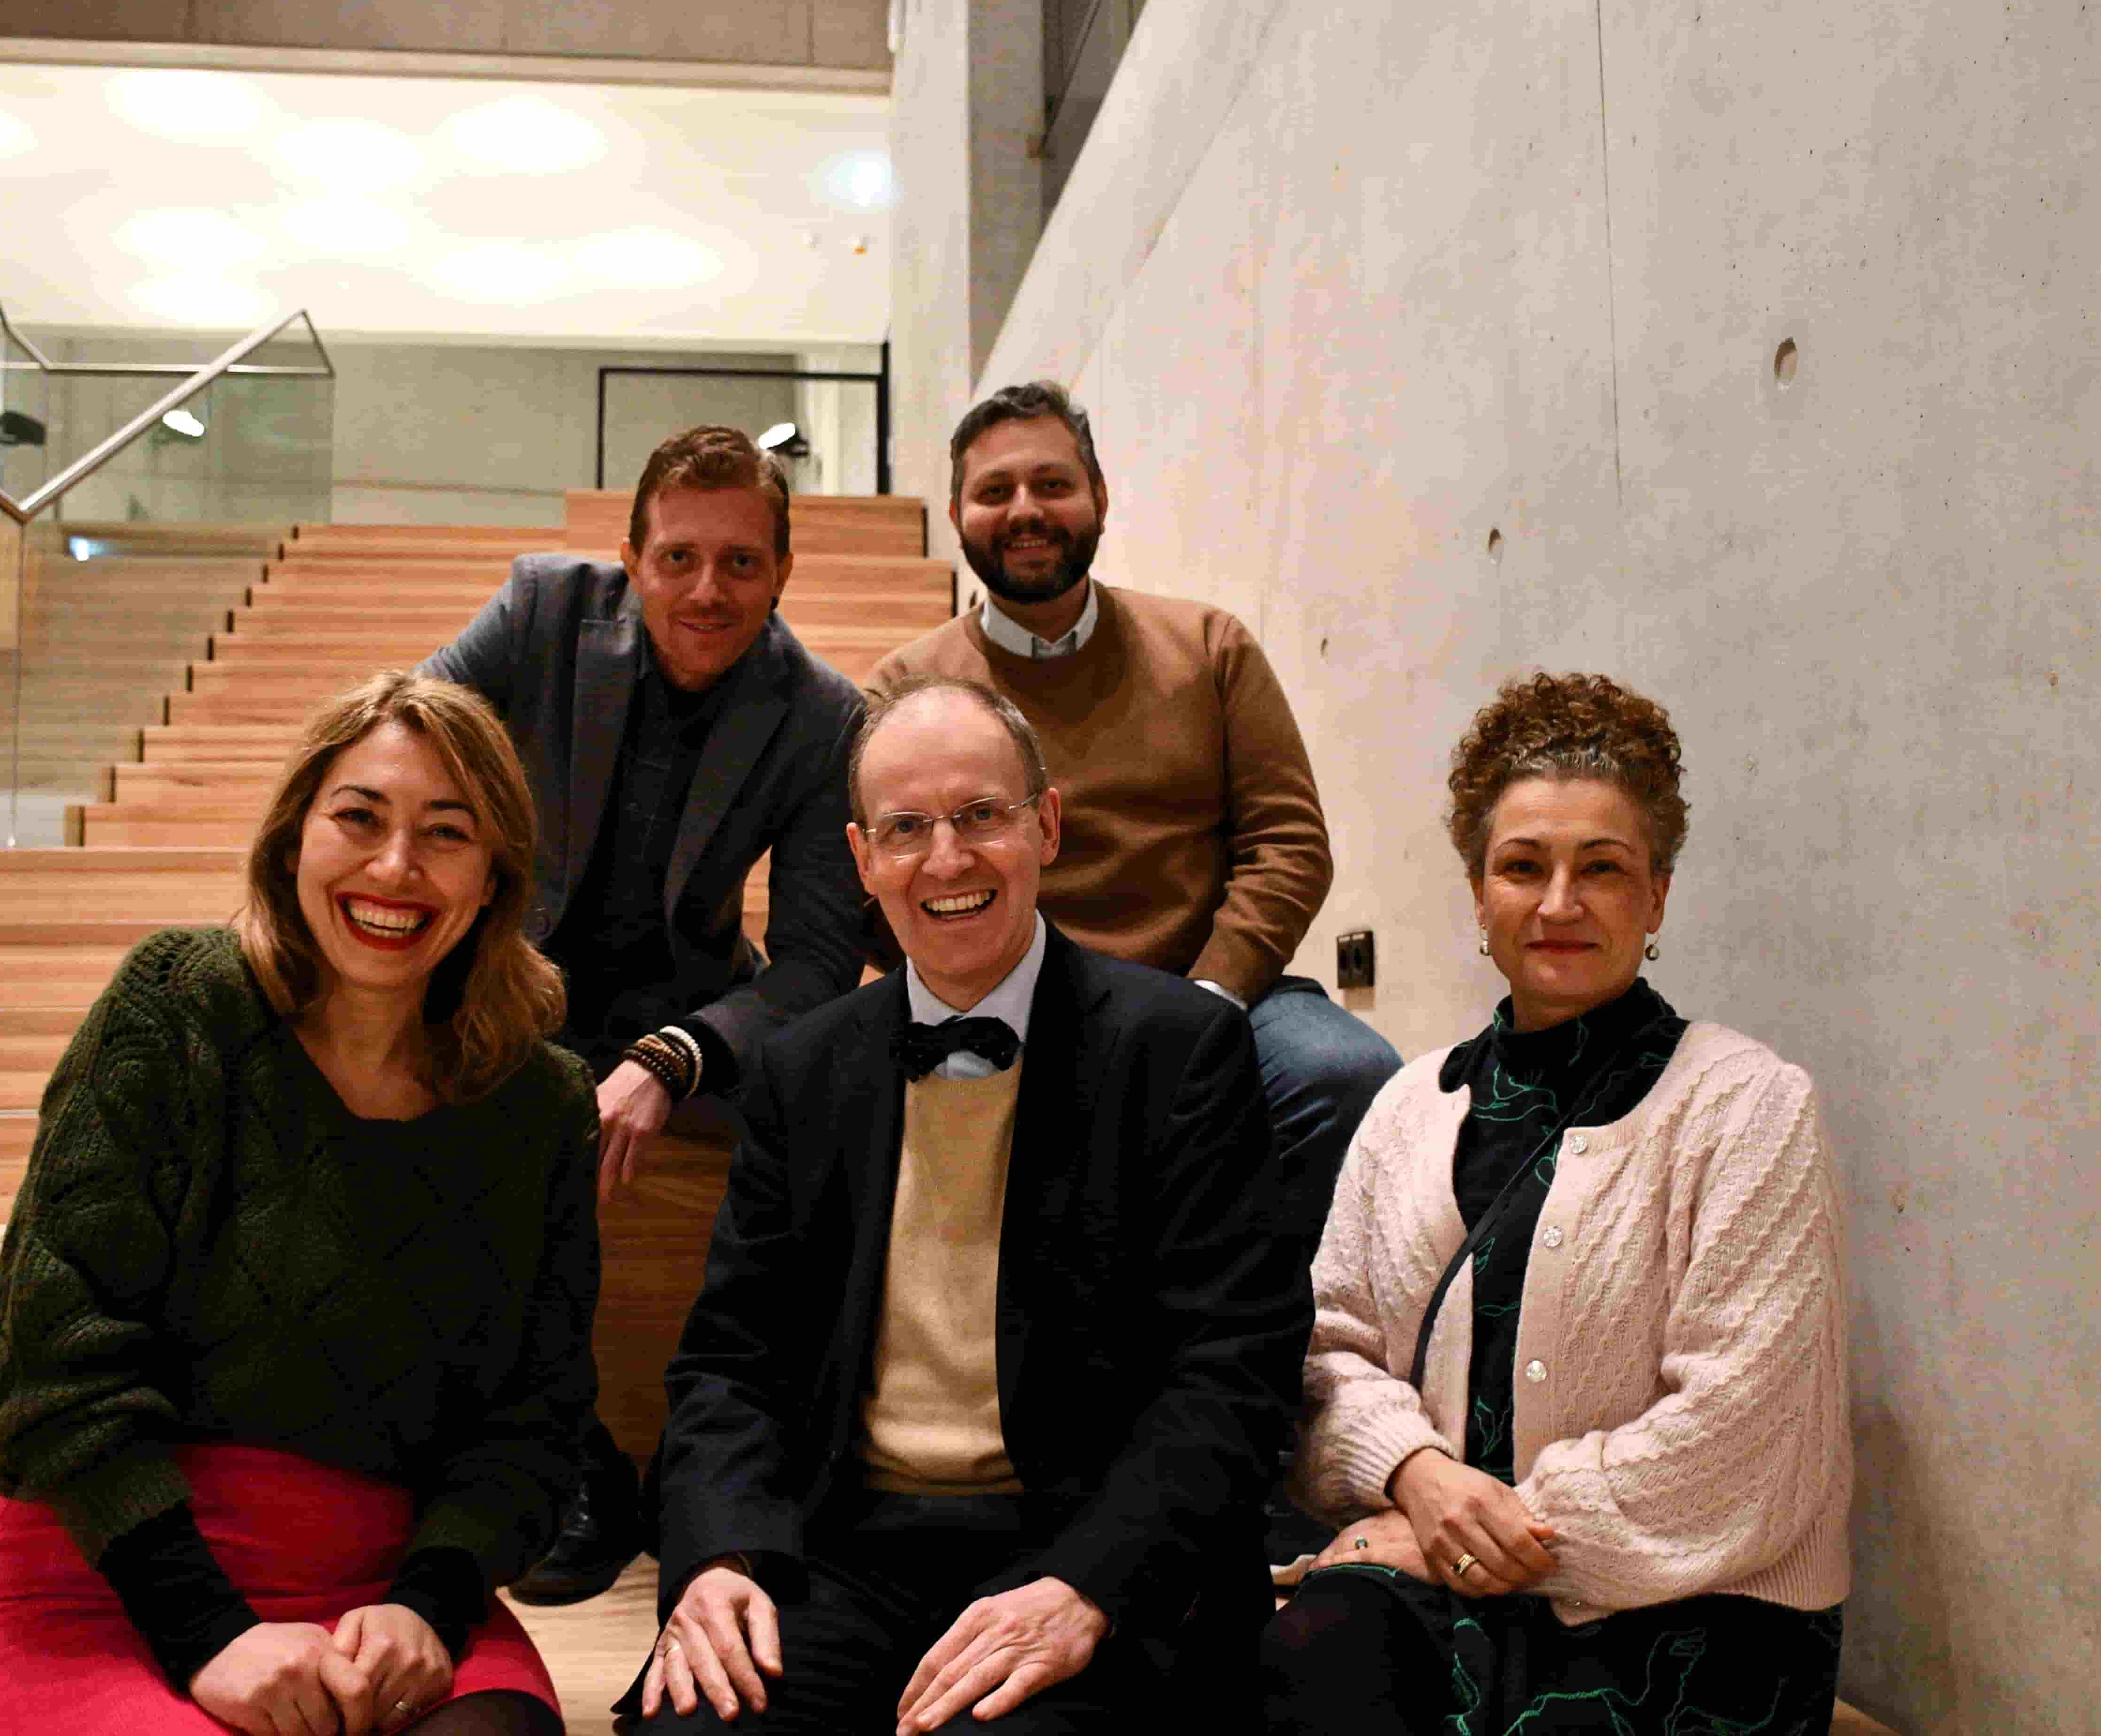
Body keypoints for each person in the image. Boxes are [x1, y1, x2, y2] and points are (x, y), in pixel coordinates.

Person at [619, 675, 1312, 1735]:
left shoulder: (1178, 1050)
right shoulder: (803, 1070)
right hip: (846, 1549)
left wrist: (1087, 1584)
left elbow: (1234, 1368)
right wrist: (718, 1555)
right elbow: (731, 1358)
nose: (946, 860)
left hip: (1080, 1547)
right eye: (906, 829)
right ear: (861, 861)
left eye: (981, 815)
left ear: (1047, 824)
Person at [0, 672, 602, 1736]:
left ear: (493, 879)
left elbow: (535, 1420)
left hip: (385, 1589)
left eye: (446, 833)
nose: (395, 867)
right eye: (360, 817)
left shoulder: (543, 1104)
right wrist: (207, 1632)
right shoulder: (175, 1009)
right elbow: (46, 1366)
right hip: (105, 1573)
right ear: (295, 838)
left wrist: (430, 1601)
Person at [1262, 672, 1852, 1736]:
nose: (1559, 903)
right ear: (1480, 892)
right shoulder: (1406, 1107)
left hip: (1687, 1624)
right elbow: (1325, 1354)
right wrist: (1416, 1471)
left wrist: (1479, 1527)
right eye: (1523, 866)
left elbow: (1744, 1436)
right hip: (1430, 1594)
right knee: (1302, 1663)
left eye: (1604, 868)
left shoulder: (1747, 1104)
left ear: (1658, 895)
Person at [420, 424, 868, 1601]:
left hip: (684, 1008)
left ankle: (723, 1458)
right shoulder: (542, 609)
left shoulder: (823, 710)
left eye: (740, 563)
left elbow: (823, 957)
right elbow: (408, 743)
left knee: (831, 1116)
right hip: (502, 975)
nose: (707, 591)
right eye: (678, 558)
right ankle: (577, 1460)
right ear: (629, 558)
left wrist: (676, 1054)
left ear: (782, 570)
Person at [865, 382, 1399, 1247]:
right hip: (1012, 1001)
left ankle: (1284, 1354)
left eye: (1052, 484)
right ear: (960, 517)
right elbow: (878, 879)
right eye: (995, 491)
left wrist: (1208, 1003)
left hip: (1216, 990)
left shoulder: (1209, 647)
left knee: (1347, 1075)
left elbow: (1289, 844)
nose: (1026, 510)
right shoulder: (907, 689)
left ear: (1100, 497)